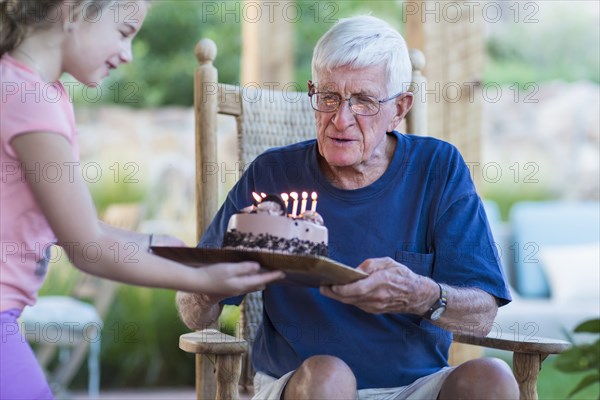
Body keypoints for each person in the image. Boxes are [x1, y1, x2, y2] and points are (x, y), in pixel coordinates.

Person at [177, 15, 519, 400]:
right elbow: (192, 311)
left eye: (364, 102)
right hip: (303, 383)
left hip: (416, 388)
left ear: (400, 107)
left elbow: (483, 315)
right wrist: (214, 281)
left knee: (493, 378)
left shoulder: (438, 168)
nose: (340, 119)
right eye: (328, 97)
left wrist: (419, 293)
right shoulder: (272, 175)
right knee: (330, 376)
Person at [0, 1, 284, 398]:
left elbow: (82, 230)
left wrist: (154, 245)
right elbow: (88, 248)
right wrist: (200, 278)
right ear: (74, 12)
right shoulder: (30, 100)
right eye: (124, 32)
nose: (128, 54)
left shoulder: (41, 92)